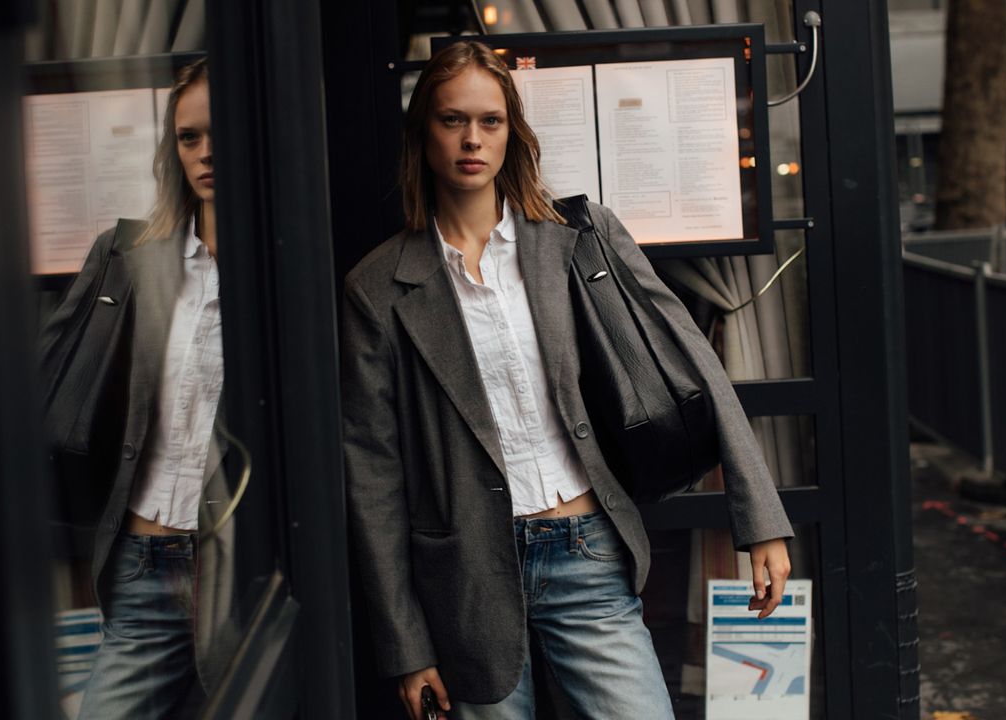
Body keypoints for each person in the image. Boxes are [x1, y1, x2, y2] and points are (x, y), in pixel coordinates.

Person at [340, 40, 794, 720]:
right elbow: (372, 476)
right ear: (422, 133)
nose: (472, 139)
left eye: (490, 121)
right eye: (451, 119)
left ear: (512, 134)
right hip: (463, 581)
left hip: (584, 548)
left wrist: (759, 521)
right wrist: (406, 646)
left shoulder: (579, 240)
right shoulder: (375, 288)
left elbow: (698, 364)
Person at [0, 57, 238, 719]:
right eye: (189, 137)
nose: (207, 151)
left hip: (250, 573)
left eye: (224, 130)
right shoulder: (124, 258)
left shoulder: (294, 258)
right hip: (144, 566)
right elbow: (25, 408)